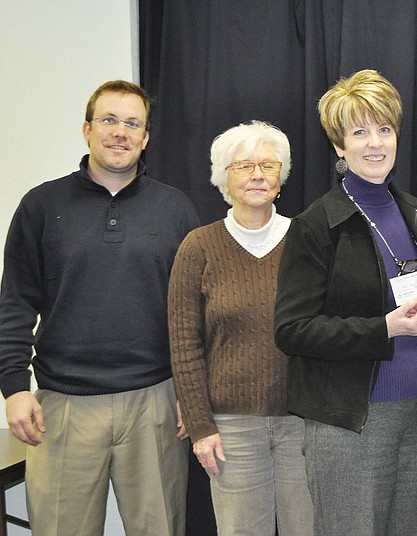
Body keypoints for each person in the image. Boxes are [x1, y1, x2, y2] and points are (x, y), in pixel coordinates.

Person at [0, 80, 199, 535]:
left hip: (155, 403)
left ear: (146, 138)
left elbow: (193, 312)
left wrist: (192, 391)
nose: (120, 132)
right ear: (87, 129)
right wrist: (13, 386)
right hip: (62, 406)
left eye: (133, 123)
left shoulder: (176, 209)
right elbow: (15, 301)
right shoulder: (41, 205)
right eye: (109, 120)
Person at [274, 69, 417, 536]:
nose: (375, 144)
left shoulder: (416, 212)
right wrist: (381, 328)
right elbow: (291, 329)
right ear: (338, 146)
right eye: (360, 132)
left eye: (384, 130)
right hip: (349, 420)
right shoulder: (316, 225)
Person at [168, 120, 313, 536]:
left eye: (268, 165)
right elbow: (183, 344)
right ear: (223, 179)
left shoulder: (307, 239)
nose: (256, 175)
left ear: (281, 178)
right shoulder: (198, 247)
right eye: (243, 166)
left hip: (302, 422)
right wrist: (200, 426)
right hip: (230, 428)